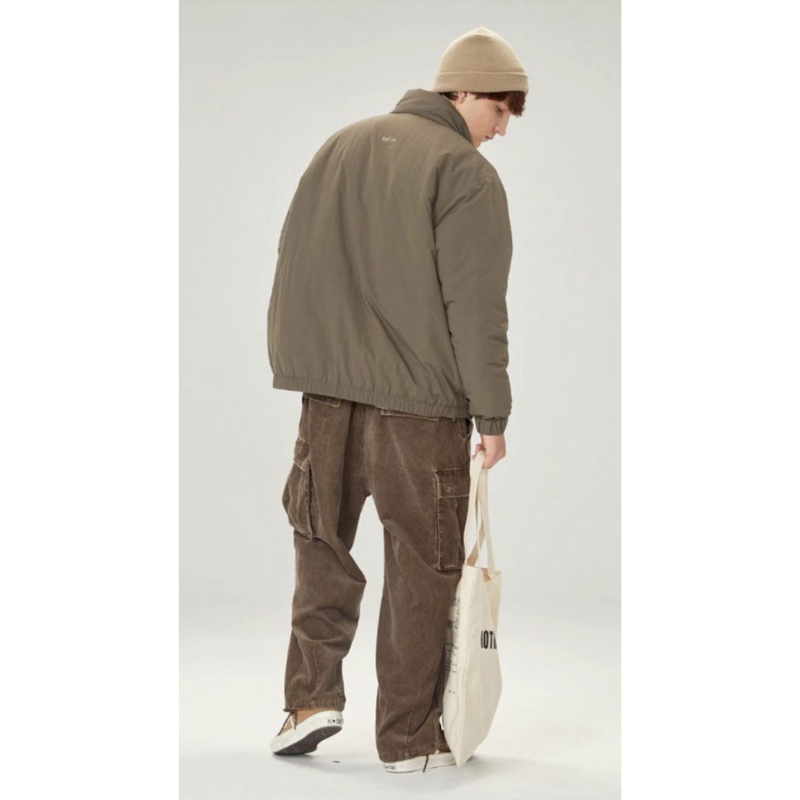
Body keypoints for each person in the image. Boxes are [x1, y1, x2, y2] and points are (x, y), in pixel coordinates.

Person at [266, 26, 527, 773]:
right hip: (420, 404)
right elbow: (477, 309)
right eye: (500, 109)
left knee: (320, 537)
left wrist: (301, 364)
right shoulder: (464, 172)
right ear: (463, 90)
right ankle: (409, 738)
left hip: (328, 394)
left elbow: (293, 259)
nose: (503, 128)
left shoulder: (340, 146)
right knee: (423, 562)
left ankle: (309, 700)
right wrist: (492, 414)